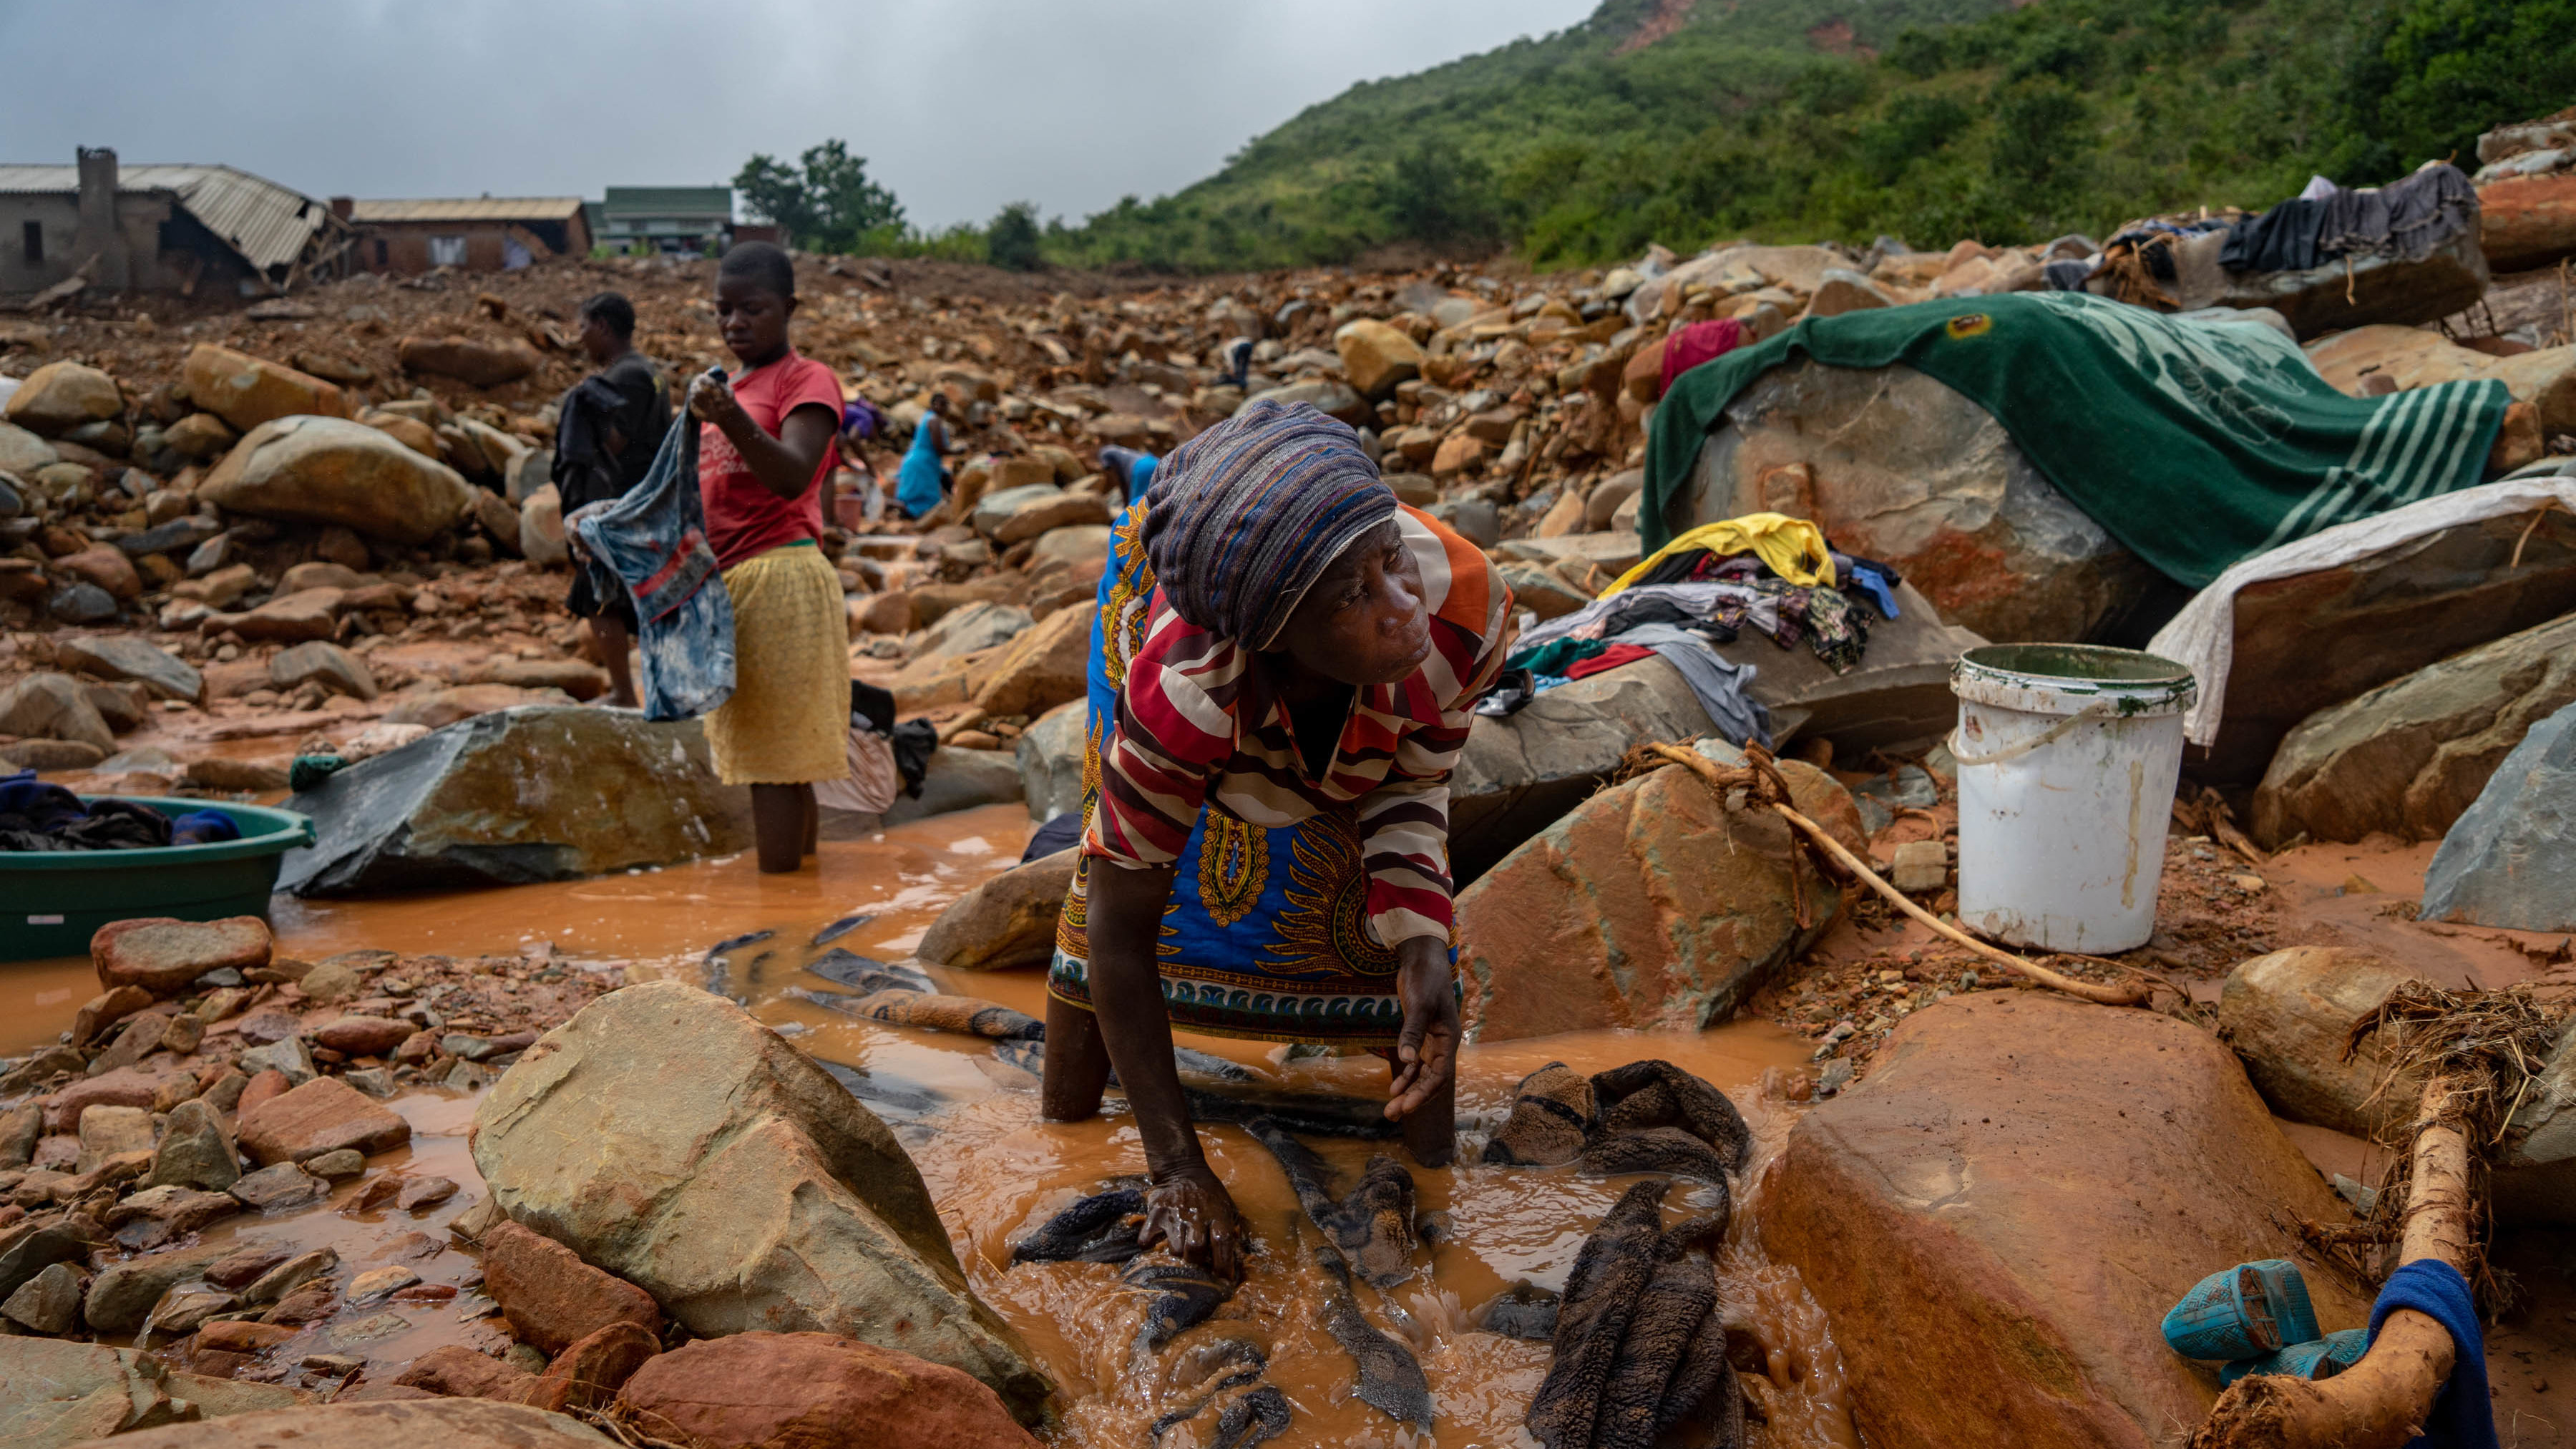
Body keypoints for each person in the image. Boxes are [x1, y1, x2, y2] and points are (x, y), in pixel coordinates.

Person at [1041, 399, 1512, 1283]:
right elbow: (1118, 922)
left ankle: (1435, 1190)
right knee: (1098, 896)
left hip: (1334, 728)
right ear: (1275, 642)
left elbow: (1413, 783)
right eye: (1355, 596)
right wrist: (1178, 1170)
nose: (1401, 604)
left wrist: (1419, 940)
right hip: (1217, 727)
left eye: (1390, 559)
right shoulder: (1187, 692)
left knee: (1416, 975)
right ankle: (1067, 1124)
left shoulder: (1460, 612)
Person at [688, 242, 851, 873]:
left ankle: (779, 930)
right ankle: (799, 908)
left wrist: (728, 416)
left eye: (751, 309)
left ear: (788, 308)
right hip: (735, 580)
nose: (734, 323)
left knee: (772, 763)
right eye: (723, 310)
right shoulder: (728, 388)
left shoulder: (804, 379)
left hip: (780, 574)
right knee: (781, 762)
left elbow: (794, 475)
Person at [552, 292, 670, 709]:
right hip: (644, 502)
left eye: (584, 327)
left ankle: (623, 692)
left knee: (598, 595)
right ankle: (648, 690)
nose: (581, 338)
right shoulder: (649, 373)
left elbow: (615, 443)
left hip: (620, 505)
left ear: (602, 325)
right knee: (635, 596)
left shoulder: (626, 377)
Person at [894, 392, 954, 519]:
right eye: (941, 404)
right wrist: (957, 452)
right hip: (922, 463)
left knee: (920, 494)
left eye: (946, 405)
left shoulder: (928, 418)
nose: (944, 408)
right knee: (924, 497)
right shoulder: (934, 420)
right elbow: (940, 449)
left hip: (921, 461)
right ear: (933, 405)